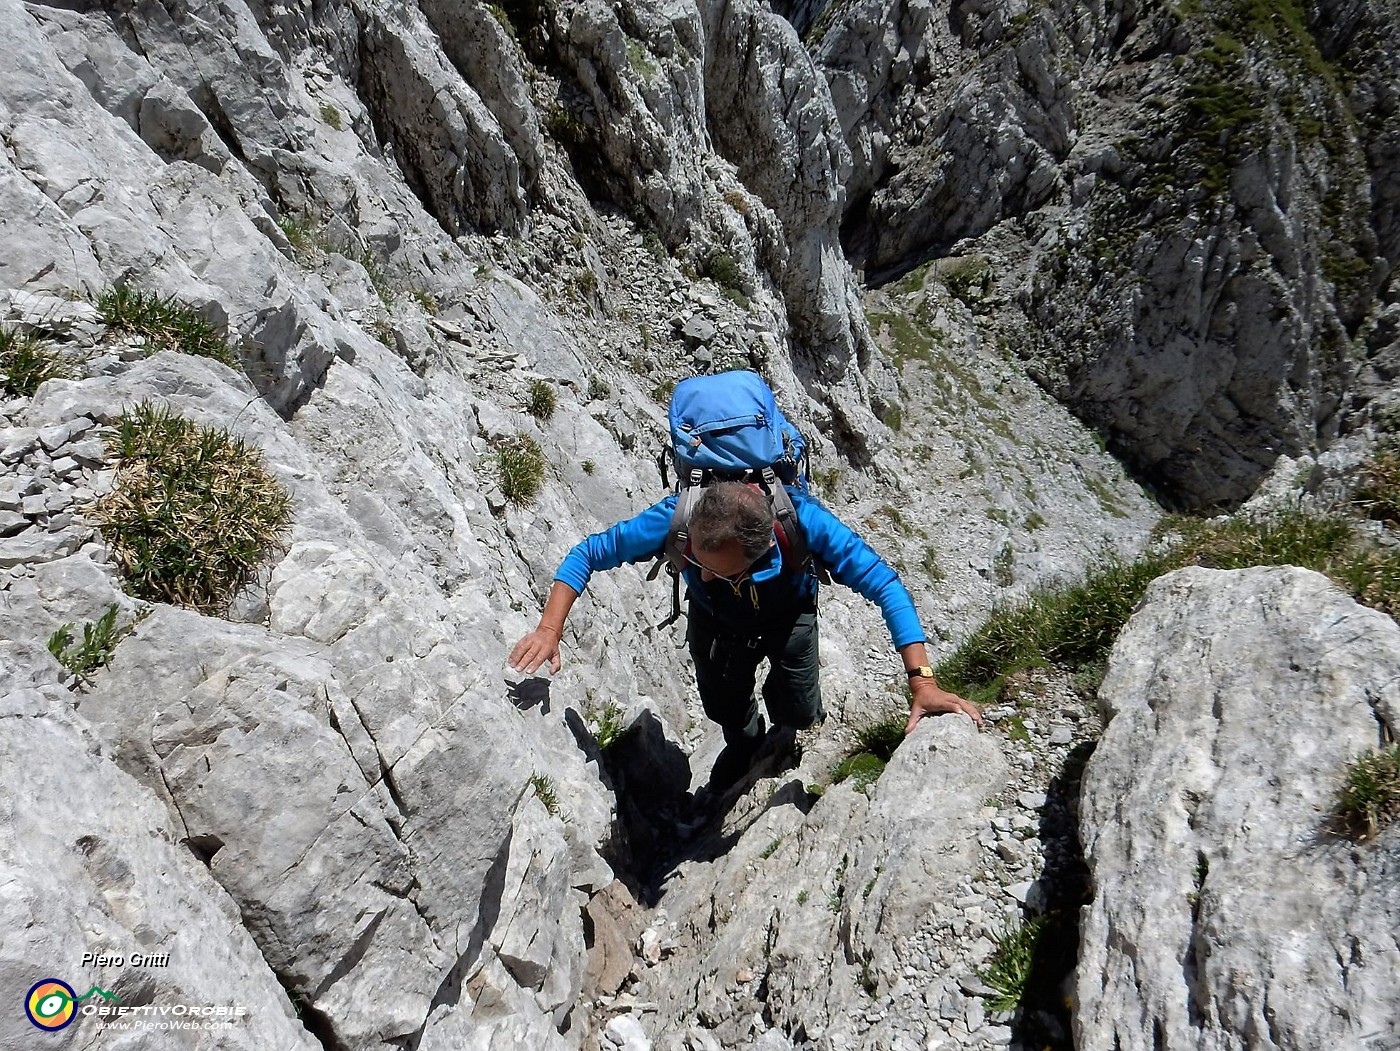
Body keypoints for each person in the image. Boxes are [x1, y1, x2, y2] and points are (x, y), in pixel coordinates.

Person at [509, 479, 982, 790]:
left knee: (797, 706)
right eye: (695, 562)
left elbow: (886, 585)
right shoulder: (677, 518)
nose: (704, 575)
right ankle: (745, 745)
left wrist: (922, 681)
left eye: (719, 571)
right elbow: (588, 553)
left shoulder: (804, 523)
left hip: (788, 613)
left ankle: (783, 732)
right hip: (717, 623)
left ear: (762, 553)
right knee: (722, 706)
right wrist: (550, 628)